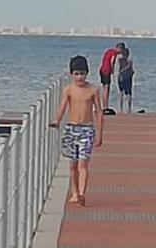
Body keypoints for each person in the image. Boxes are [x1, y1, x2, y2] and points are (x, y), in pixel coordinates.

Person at [49, 55, 104, 207]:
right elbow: (62, 107)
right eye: (76, 74)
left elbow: (99, 112)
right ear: (71, 74)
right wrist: (56, 120)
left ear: (87, 73)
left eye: (82, 73)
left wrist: (99, 134)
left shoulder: (93, 90)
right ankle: (74, 192)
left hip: (87, 129)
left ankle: (81, 193)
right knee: (72, 165)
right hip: (71, 128)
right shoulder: (68, 90)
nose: (80, 77)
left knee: (83, 164)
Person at [97, 41, 125, 112]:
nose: (121, 53)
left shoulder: (109, 51)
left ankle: (104, 105)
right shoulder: (114, 53)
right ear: (119, 48)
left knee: (104, 88)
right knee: (107, 88)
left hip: (102, 69)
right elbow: (112, 61)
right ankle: (105, 106)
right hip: (106, 70)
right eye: (122, 50)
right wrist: (112, 70)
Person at [116, 47, 134, 113]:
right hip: (128, 77)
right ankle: (129, 108)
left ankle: (121, 108)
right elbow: (131, 69)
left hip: (121, 77)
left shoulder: (120, 60)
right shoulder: (129, 61)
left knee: (121, 93)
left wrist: (119, 74)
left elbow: (119, 69)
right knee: (128, 93)